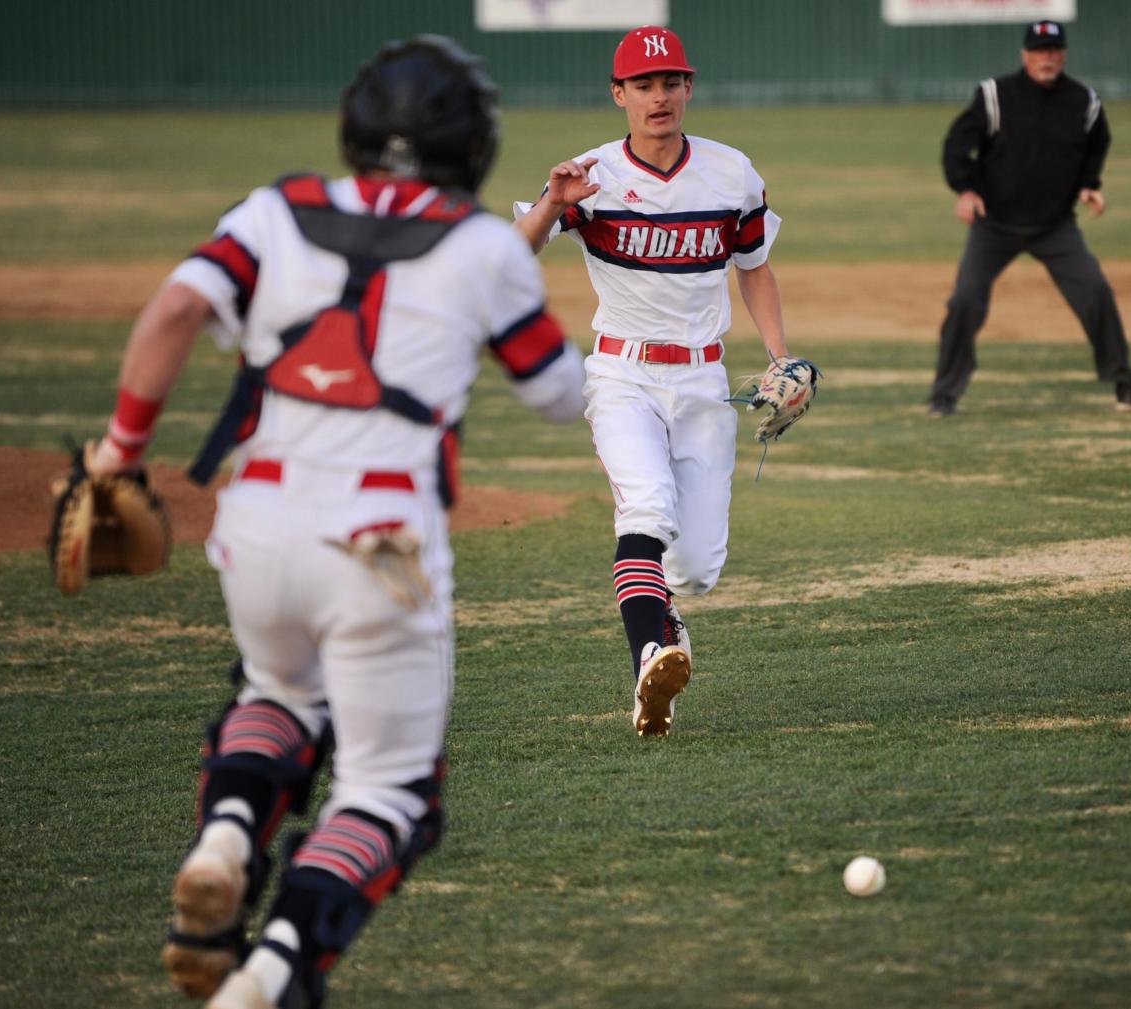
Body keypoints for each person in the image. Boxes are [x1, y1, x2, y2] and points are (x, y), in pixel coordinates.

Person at [85, 36, 585, 1009]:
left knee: (276, 692)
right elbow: (559, 393)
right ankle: (271, 973)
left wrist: (118, 451)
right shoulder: (485, 243)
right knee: (387, 794)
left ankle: (228, 838)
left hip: (258, 518)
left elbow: (176, 309)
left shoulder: (277, 207)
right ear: (472, 141)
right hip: (381, 542)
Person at [513, 25, 799, 736]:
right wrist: (552, 202)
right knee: (645, 510)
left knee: (697, 565)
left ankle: (666, 618)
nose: (659, 96)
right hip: (622, 375)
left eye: (670, 81)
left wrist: (778, 355)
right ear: (619, 95)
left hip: (704, 381)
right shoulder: (591, 174)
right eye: (643, 84)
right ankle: (650, 650)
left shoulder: (732, 173)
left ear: (688, 88)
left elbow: (753, 266)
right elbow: (509, 258)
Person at [927, 19, 1131, 417]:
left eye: (1054, 50)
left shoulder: (1083, 101)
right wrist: (965, 189)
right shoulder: (995, 95)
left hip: (1055, 226)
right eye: (1039, 50)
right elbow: (956, 146)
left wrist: (1089, 182)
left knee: (1096, 293)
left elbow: (1097, 143)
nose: (1046, 57)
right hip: (995, 225)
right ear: (1025, 54)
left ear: (1064, 54)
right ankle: (944, 393)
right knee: (966, 300)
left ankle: (1125, 384)